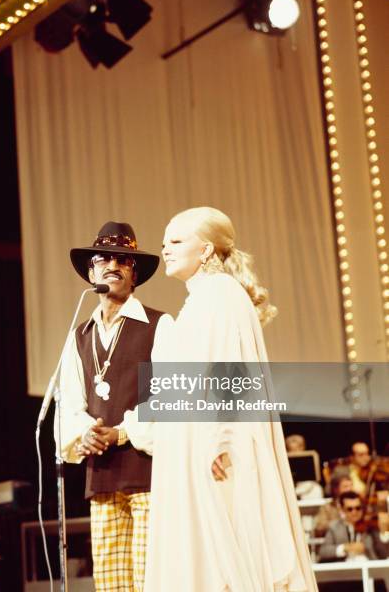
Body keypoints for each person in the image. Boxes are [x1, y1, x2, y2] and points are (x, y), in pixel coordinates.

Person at [145, 207, 317, 591]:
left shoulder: (220, 295)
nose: (165, 250)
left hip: (211, 451)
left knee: (225, 554)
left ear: (205, 250)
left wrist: (218, 440)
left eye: (176, 241)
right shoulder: (202, 299)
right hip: (189, 446)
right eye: (164, 242)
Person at [57, 221, 173, 591]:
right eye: (103, 258)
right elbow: (70, 400)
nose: (112, 265)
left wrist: (123, 431)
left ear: (134, 274)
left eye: (123, 260)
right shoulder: (80, 335)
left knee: (150, 580)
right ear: (91, 272)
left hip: (148, 473)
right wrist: (83, 434)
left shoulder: (159, 325)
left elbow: (171, 396)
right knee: (111, 585)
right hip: (102, 477)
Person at [318, 491, 389, 562]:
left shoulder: (371, 527)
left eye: (358, 508)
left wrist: (383, 533)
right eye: (350, 509)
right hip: (344, 569)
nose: (354, 512)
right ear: (342, 509)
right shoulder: (335, 527)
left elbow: (384, 554)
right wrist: (345, 548)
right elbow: (323, 552)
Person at [314, 473, 354, 537]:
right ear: (336, 489)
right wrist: (340, 524)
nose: (350, 489)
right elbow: (319, 528)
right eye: (345, 487)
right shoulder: (327, 507)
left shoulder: (359, 505)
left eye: (351, 485)